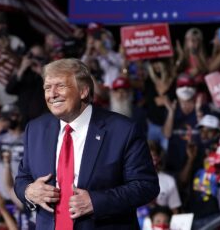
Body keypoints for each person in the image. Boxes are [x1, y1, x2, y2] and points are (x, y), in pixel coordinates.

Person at [14, 58, 159, 230]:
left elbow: (145, 186)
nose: (51, 94)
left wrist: (95, 202)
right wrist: (29, 191)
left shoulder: (123, 130)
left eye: (60, 86)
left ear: (83, 91)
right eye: (47, 87)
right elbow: (22, 178)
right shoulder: (35, 129)